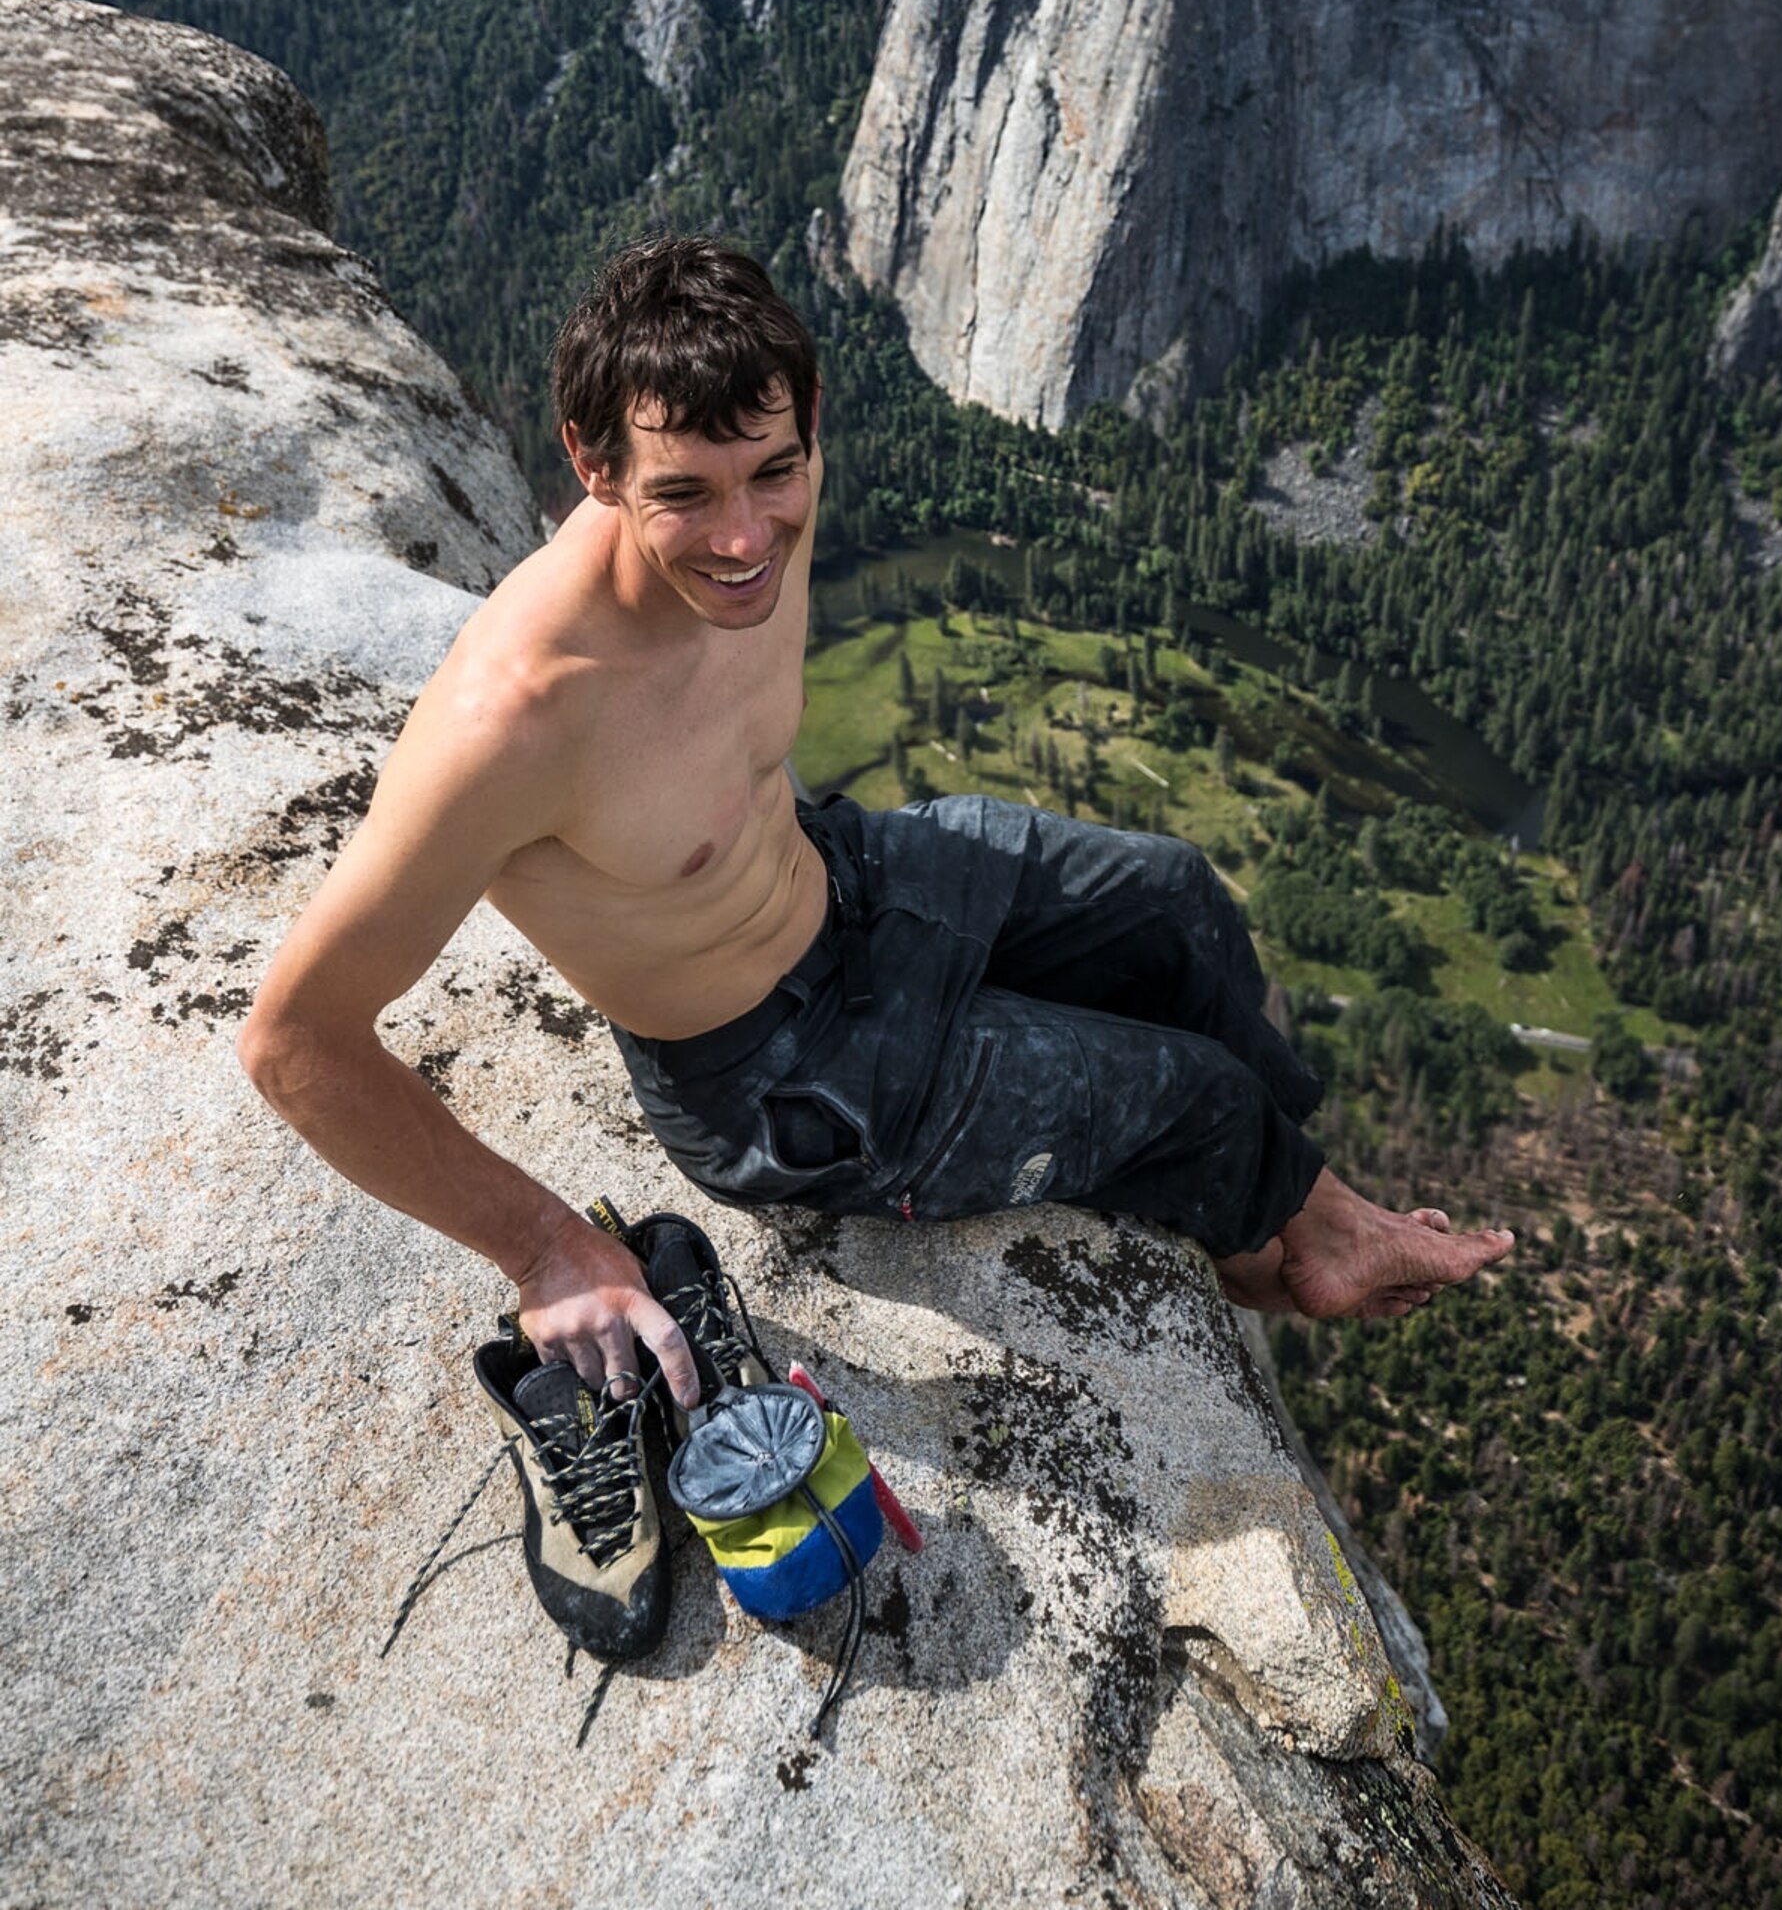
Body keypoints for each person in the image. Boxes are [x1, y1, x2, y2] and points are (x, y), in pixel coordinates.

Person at [238, 238, 1512, 1426]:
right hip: (778, 1067)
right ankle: (1275, 1250)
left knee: (1176, 899)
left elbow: (752, 557)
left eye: (773, 473)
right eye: (682, 494)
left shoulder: (763, 496)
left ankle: (1315, 1202)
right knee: (1197, 1097)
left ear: (804, 421)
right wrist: (545, 1246)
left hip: (847, 873)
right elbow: (296, 1042)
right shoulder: (516, 718)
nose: (745, 540)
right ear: (591, 463)